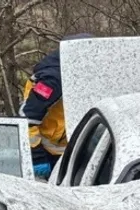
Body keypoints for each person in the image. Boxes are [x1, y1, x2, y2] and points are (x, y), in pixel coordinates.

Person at [18, 33, 92, 179]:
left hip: (69, 150)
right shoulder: (53, 80)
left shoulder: (81, 74)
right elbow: (27, 119)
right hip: (46, 153)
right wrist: (37, 156)